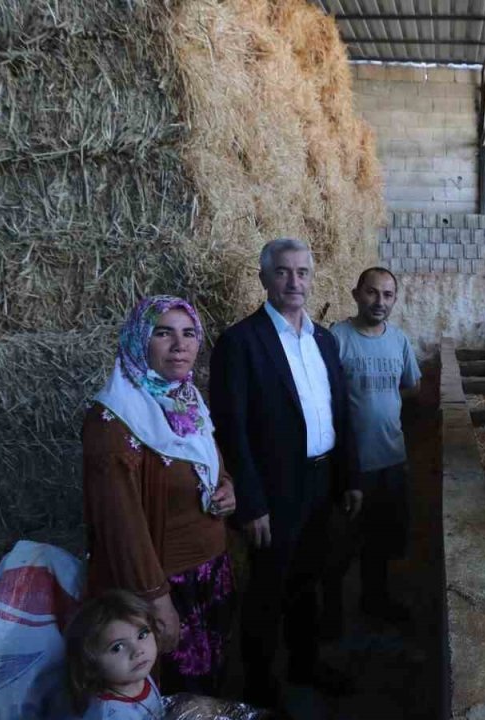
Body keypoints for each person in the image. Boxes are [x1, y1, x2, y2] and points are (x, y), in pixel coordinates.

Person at [209, 238, 362, 706]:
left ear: (312, 277)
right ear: (264, 278)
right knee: (268, 587)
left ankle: (304, 663)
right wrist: (251, 503)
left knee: (309, 578)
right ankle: (259, 684)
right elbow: (232, 429)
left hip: (321, 481)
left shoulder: (324, 339)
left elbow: (340, 412)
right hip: (274, 490)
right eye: (282, 272)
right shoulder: (241, 342)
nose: (294, 282)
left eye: (302, 272)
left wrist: (350, 476)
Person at [82, 296, 237, 695]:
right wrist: (155, 599)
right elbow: (122, 525)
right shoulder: (114, 421)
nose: (179, 345)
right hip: (165, 585)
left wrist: (227, 487)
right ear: (139, 340)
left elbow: (207, 462)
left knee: (210, 680)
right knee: (175, 687)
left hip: (208, 572)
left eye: (189, 334)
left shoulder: (186, 400)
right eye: (163, 333)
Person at [326, 267, 421, 625]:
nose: (379, 301)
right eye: (371, 292)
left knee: (381, 540)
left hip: (391, 459)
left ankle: (374, 601)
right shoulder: (336, 337)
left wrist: (382, 404)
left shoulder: (398, 340)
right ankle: (331, 614)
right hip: (351, 465)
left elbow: (412, 386)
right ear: (355, 294)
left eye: (387, 295)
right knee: (339, 544)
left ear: (394, 299)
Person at [65, 590, 166, 720]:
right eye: (117, 647)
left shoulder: (138, 675)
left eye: (142, 635)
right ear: (90, 663)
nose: (137, 651)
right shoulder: (110, 714)